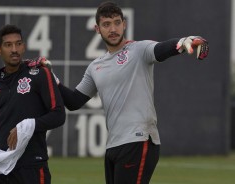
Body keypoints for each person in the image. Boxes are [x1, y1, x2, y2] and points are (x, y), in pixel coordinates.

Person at [32, 1, 209, 184]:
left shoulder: (139, 50)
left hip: (139, 141)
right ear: (97, 29)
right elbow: (74, 101)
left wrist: (183, 42)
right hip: (113, 146)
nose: (113, 28)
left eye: (117, 22)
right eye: (106, 24)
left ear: (124, 24)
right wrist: (50, 75)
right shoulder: (95, 66)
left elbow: (162, 49)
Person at [0, 24, 66, 184]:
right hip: (0, 162)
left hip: (31, 166)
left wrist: (27, 125)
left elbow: (58, 115)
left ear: (23, 47)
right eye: (8, 45)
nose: (14, 49)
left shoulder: (40, 74)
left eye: (18, 44)